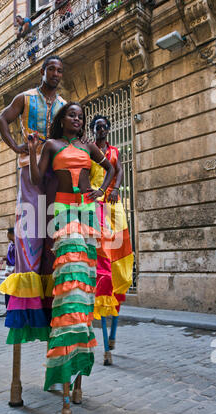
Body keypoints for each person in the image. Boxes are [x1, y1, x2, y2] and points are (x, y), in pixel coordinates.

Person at [28, 102, 115, 414]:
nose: (76, 119)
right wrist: (36, 149)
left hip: (87, 215)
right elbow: (38, 181)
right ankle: (67, 384)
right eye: (71, 115)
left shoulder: (89, 147)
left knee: (83, 293)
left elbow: (112, 169)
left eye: (80, 116)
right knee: (68, 292)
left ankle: (76, 381)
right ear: (62, 120)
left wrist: (102, 191)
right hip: (62, 216)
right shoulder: (52, 145)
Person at [0, 56, 66, 346]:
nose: (56, 73)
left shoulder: (63, 105)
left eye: (60, 70)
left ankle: (51, 292)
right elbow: (1, 119)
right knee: (29, 227)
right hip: (29, 168)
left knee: (52, 231)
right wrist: (15, 146)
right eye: (51, 68)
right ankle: (28, 291)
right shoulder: (24, 98)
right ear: (42, 71)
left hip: (54, 173)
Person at [89, 115, 134, 365]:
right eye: (98, 127)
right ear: (93, 130)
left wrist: (115, 188)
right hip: (95, 206)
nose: (102, 129)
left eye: (105, 126)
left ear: (109, 128)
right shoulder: (89, 151)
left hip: (113, 207)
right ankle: (105, 343)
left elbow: (117, 172)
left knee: (120, 263)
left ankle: (113, 331)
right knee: (103, 264)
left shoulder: (114, 151)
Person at [0, 228, 15, 318]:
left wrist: (13, 272)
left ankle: (12, 310)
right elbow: (10, 256)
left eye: (8, 234)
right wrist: (3, 259)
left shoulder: (18, 245)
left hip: (14, 269)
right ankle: (8, 309)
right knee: (7, 291)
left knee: (12, 291)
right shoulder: (10, 244)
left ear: (12, 234)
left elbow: (20, 259)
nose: (7, 236)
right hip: (8, 268)